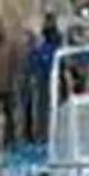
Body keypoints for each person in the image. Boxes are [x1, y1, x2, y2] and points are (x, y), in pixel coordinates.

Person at [0, 17, 25, 150]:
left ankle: (9, 139)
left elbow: (15, 64)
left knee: (9, 114)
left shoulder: (9, 46)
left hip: (6, 85)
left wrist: (14, 81)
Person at [24, 12, 63, 144]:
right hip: (46, 79)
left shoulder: (49, 46)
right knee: (44, 109)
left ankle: (45, 135)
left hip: (48, 79)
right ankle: (44, 135)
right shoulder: (49, 46)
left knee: (46, 109)